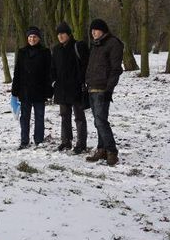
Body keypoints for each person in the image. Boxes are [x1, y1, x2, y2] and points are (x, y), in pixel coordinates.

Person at [84, 18, 124, 165]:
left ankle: (112, 151)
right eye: (92, 30)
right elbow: (91, 66)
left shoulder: (113, 43)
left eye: (96, 30)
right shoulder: (95, 45)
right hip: (92, 87)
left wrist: (109, 89)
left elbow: (115, 69)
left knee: (101, 121)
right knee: (97, 121)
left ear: (104, 30)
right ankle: (102, 149)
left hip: (103, 89)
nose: (93, 32)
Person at [10, 26, 53, 148]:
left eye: (34, 36)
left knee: (39, 116)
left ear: (38, 38)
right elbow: (17, 72)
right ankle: (24, 140)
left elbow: (49, 73)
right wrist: (15, 90)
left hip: (40, 90)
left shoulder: (45, 52)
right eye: (30, 37)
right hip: (25, 90)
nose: (32, 39)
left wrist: (49, 90)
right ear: (27, 38)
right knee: (25, 117)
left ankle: (39, 140)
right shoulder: (22, 52)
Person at [51, 22, 89, 154]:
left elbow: (85, 65)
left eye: (63, 33)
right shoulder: (56, 49)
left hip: (76, 87)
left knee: (79, 117)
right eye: (58, 34)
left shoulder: (78, 46)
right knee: (64, 116)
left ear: (69, 34)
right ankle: (66, 141)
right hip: (61, 88)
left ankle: (81, 143)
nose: (60, 36)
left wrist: (81, 81)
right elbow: (53, 67)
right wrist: (53, 81)